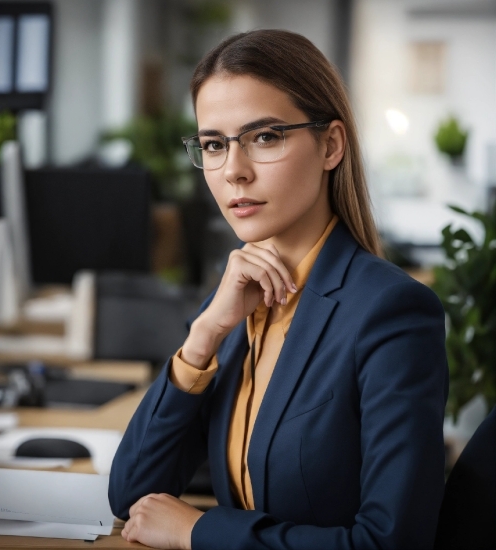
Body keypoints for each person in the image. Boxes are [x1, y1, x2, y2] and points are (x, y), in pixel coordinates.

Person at [108, 29, 448, 550]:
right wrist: (203, 335)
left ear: (330, 145)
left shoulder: (391, 312)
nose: (234, 172)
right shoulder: (233, 305)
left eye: (265, 137)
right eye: (214, 145)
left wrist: (199, 530)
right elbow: (131, 495)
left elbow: (390, 541)